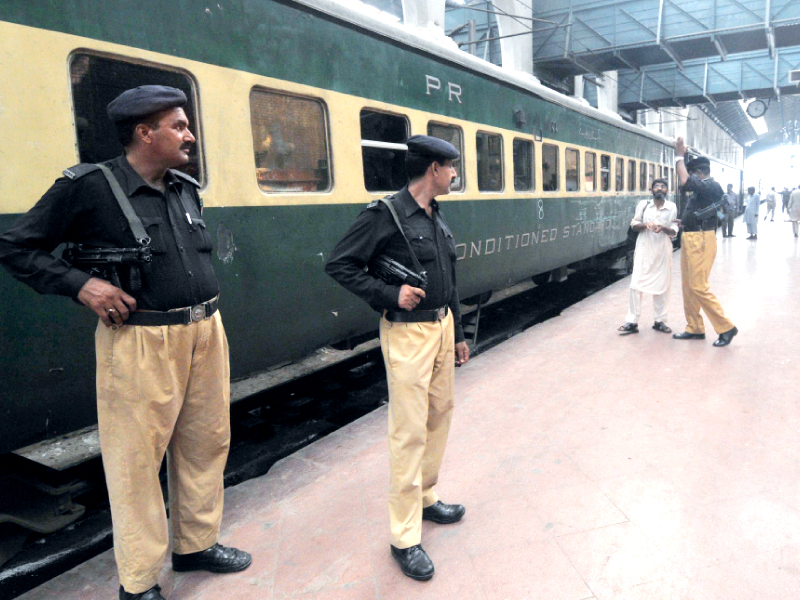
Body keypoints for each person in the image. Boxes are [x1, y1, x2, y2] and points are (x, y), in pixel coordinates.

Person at [0, 86, 251, 600]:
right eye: (178, 126)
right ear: (145, 133)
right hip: (140, 343)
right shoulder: (87, 187)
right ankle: (138, 583)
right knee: (135, 462)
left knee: (206, 444)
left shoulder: (183, 187)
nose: (190, 135)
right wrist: (81, 285)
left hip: (205, 331)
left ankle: (195, 544)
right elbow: (15, 245)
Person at [325, 135, 470, 581]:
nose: (454, 176)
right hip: (408, 334)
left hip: (442, 327)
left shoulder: (436, 215)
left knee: (438, 416)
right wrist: (390, 294)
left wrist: (459, 332)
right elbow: (340, 264)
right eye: (450, 168)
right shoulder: (385, 216)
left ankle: (426, 498)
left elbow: (449, 277)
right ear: (432, 170)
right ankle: (404, 536)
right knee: (408, 431)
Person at [672, 139, 738, 347]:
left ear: (699, 172)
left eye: (692, 173)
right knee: (688, 287)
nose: (690, 176)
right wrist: (684, 222)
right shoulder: (706, 190)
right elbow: (699, 209)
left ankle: (726, 327)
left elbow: (685, 182)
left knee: (699, 286)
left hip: (700, 239)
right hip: (692, 236)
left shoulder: (711, 185)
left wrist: (679, 157)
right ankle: (695, 327)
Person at [618, 178, 677, 336]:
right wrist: (646, 225)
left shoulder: (672, 207)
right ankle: (632, 321)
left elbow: (674, 230)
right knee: (635, 285)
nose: (660, 189)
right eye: (656, 186)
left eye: (663, 186)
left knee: (662, 287)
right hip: (644, 250)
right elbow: (634, 224)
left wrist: (664, 228)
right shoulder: (643, 205)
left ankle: (660, 321)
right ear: (651, 190)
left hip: (662, 251)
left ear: (667, 191)